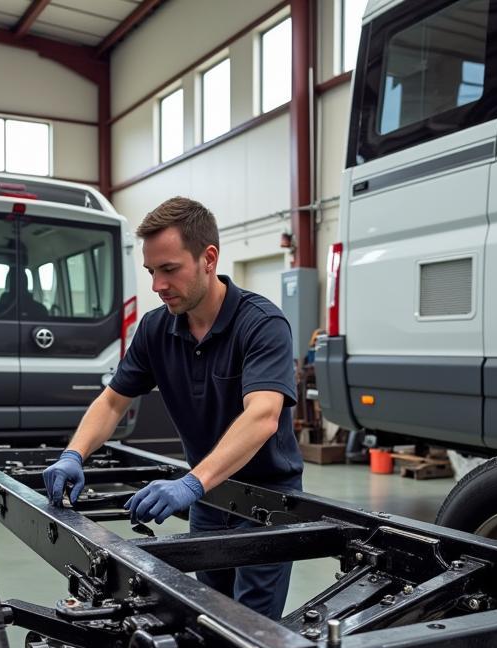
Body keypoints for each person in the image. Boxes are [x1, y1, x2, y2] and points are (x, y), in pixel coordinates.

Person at [43, 196, 303, 621]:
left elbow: (263, 415)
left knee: (254, 627)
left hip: (266, 502)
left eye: (169, 269)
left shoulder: (261, 324)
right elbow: (112, 401)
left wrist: (190, 484)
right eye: (151, 272)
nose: (157, 286)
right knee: (211, 613)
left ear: (208, 258)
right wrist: (75, 453)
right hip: (209, 496)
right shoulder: (156, 328)